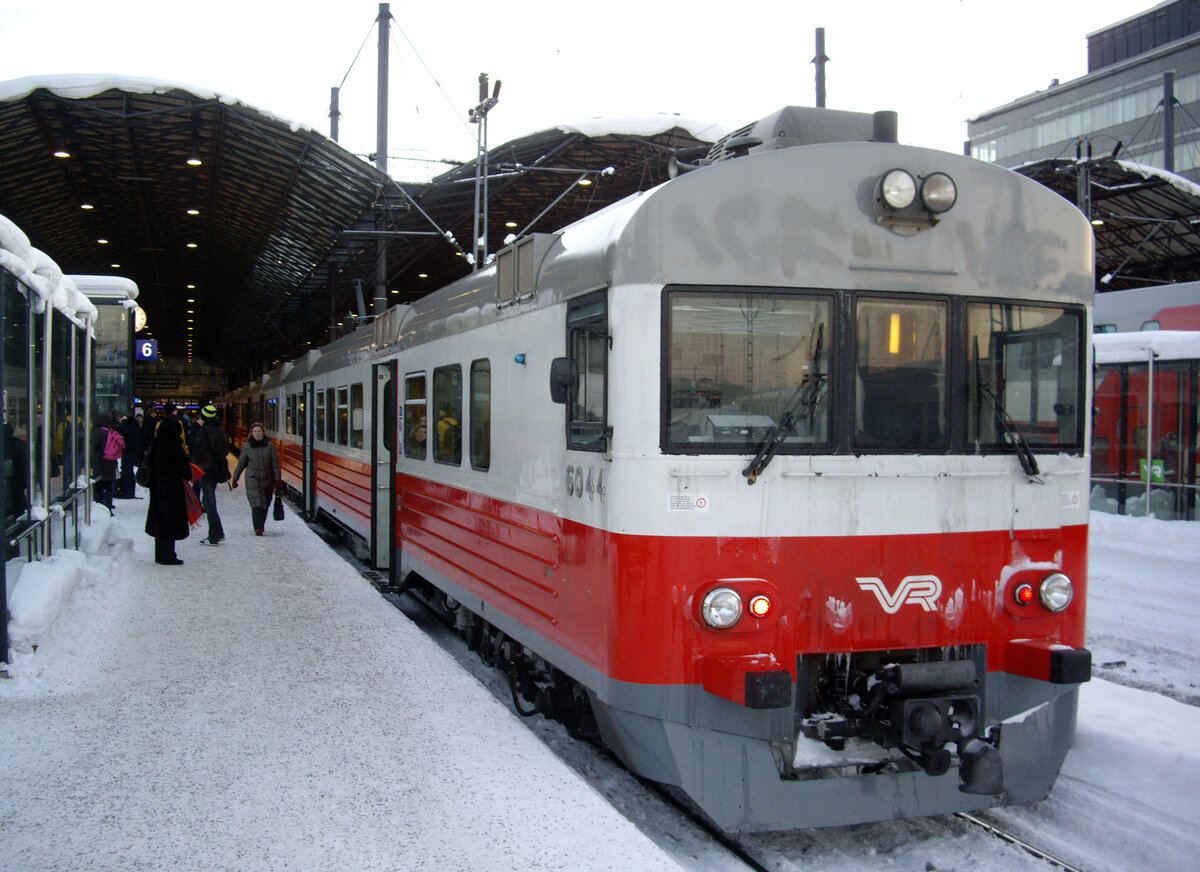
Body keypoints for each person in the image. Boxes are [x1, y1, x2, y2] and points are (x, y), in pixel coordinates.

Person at [143, 403, 193, 565]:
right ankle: (168, 556)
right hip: (171, 490)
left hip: (158, 490)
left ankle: (160, 555)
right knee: (170, 523)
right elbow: (183, 469)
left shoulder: (157, 444)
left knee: (160, 523)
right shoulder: (173, 446)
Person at [231, 422, 281, 536]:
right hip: (252, 478)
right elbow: (241, 464)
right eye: (255, 431)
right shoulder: (247, 447)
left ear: (263, 432)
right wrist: (235, 478)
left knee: (265, 503)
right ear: (251, 434)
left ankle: (261, 524)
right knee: (256, 503)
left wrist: (277, 479)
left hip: (268, 479)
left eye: (259, 431)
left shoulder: (270, 446)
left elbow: (275, 464)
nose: (257, 433)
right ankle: (258, 527)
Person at [190, 404, 230, 545]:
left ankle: (215, 534)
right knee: (209, 500)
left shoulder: (203, 432)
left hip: (206, 470)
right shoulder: (221, 430)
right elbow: (225, 450)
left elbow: (198, 452)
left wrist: (194, 465)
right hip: (217, 469)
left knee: (209, 501)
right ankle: (218, 532)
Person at [90, 411, 118, 514]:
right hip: (111, 464)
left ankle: (100, 510)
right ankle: (108, 508)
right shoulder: (111, 432)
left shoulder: (98, 433)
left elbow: (94, 448)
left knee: (99, 488)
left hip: (100, 464)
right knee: (109, 488)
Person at [3, 421, 29, 522]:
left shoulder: (8, 444)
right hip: (18, 478)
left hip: (11, 477)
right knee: (18, 498)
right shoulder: (17, 443)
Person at [116, 408, 141, 498]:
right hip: (132, 450)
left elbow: (123, 432)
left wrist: (122, 423)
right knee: (129, 471)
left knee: (126, 471)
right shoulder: (134, 424)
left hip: (128, 450)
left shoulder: (127, 425)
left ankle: (127, 491)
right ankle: (129, 491)